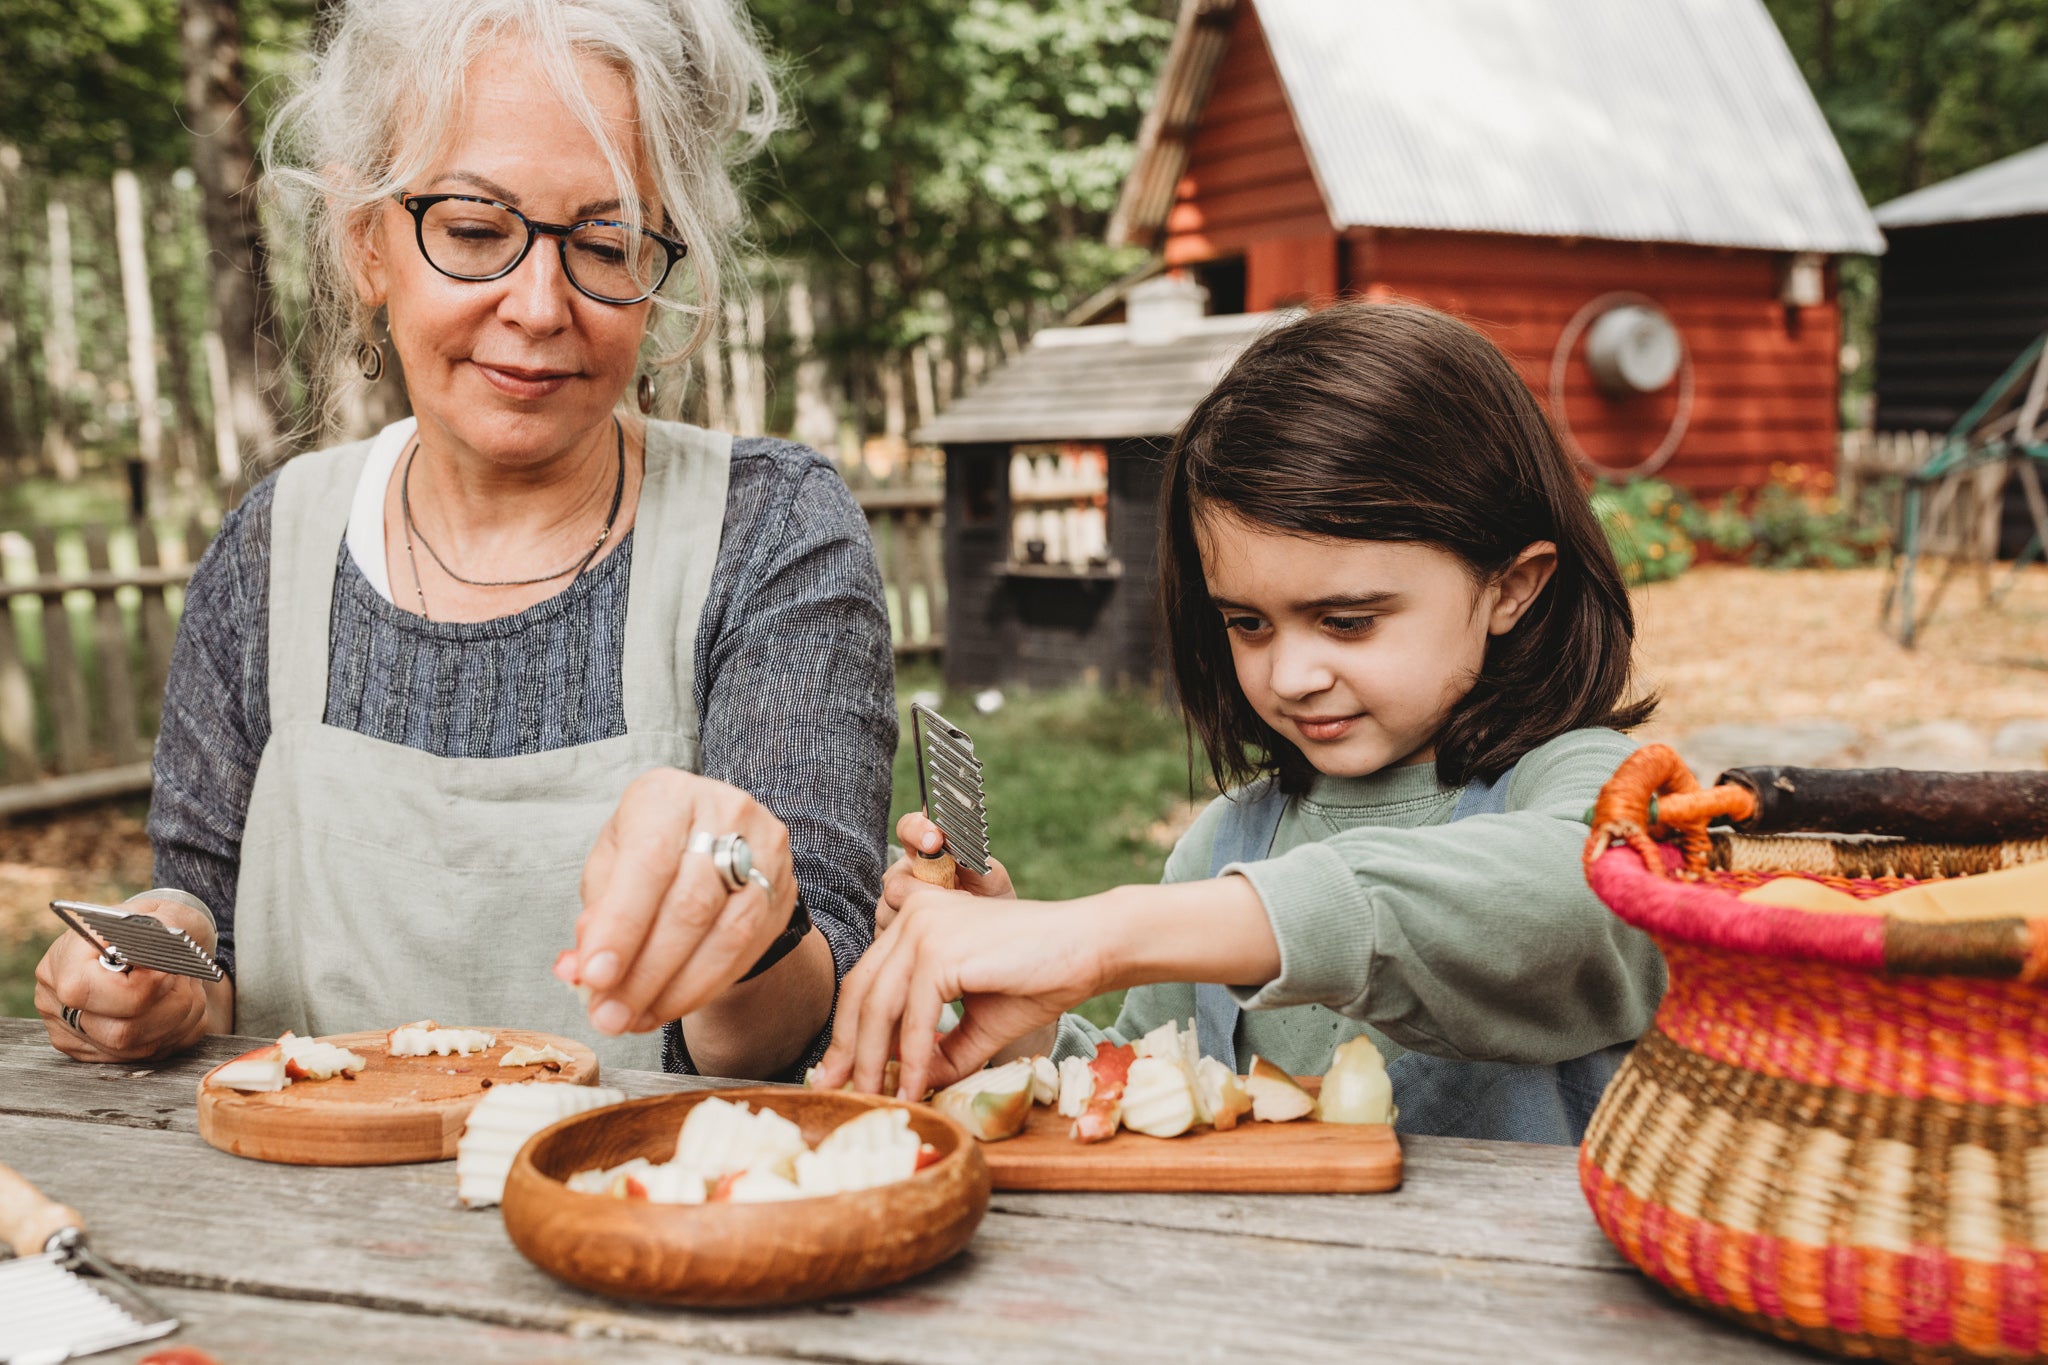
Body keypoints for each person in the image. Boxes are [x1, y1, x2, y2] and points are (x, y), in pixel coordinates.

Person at [32, 0, 895, 1081]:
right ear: (367, 247)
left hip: (634, 1226)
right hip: (286, 1234)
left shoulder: (769, 536)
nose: (538, 305)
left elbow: (799, 1033)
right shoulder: (274, 546)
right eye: (477, 230)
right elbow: (214, 949)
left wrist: (748, 925)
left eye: (607, 242)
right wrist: (157, 970)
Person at [816, 302, 1664, 1144]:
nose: (1290, 675)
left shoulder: (1599, 795)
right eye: (1248, 623)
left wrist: (1104, 934)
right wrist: (1023, 1029)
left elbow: (1578, 898)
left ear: (1511, 587)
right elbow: (1146, 1091)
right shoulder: (1225, 846)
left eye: (1348, 620)